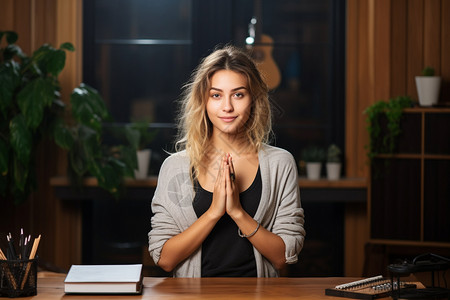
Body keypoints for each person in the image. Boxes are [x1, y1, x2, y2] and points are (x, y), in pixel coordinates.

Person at [148, 45, 305, 277]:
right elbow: (164, 258)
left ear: (253, 99)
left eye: (238, 94)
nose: (227, 106)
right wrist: (213, 212)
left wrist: (237, 212)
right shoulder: (176, 167)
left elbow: (283, 258)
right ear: (204, 101)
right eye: (216, 95)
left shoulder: (280, 164)